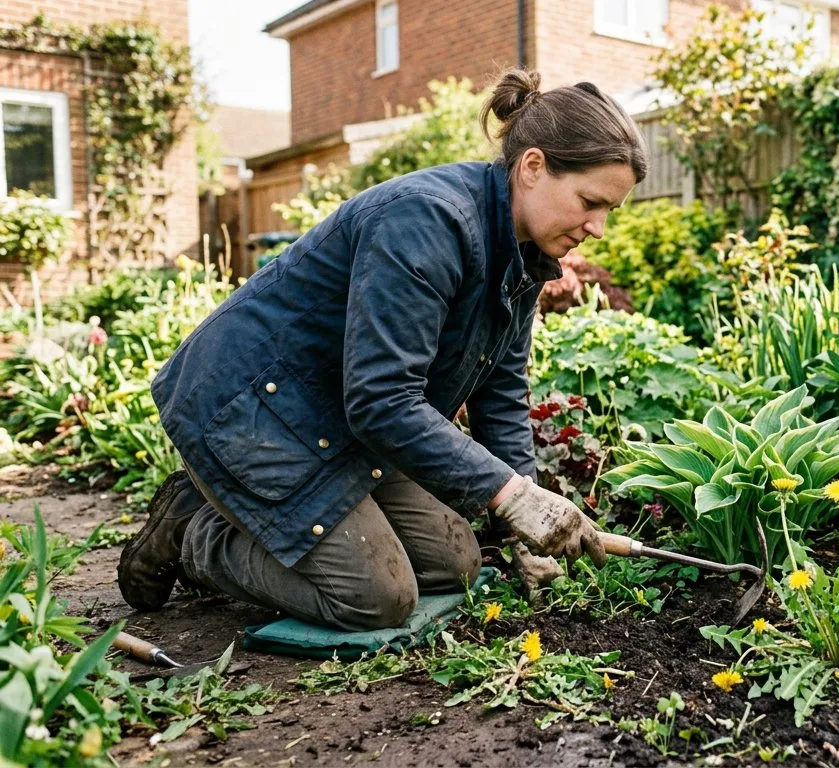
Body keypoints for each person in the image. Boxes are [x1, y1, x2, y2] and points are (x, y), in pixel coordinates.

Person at [117, 71, 646, 631]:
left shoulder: (524, 257)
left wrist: (522, 516)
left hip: (337, 419)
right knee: (376, 598)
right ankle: (195, 534)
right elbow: (382, 400)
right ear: (533, 167)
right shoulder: (427, 220)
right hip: (250, 413)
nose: (599, 228)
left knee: (457, 565)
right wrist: (508, 494)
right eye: (591, 202)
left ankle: (243, 517)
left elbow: (502, 393)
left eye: (609, 210)